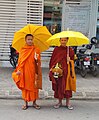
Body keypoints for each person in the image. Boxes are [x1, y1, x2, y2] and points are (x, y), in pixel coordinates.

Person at [12, 34, 42, 110]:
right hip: (24, 71)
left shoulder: (36, 49)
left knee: (34, 87)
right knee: (25, 87)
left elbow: (38, 61)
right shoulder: (22, 49)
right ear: (25, 40)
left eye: (31, 39)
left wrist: (37, 57)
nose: (30, 41)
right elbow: (20, 61)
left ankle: (34, 103)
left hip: (33, 71)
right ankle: (25, 103)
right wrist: (18, 70)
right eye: (28, 39)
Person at [49, 37, 76, 110]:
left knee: (67, 86)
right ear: (59, 40)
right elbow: (53, 59)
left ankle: (68, 102)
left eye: (65, 40)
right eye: (62, 40)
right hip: (58, 70)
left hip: (67, 71)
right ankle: (59, 102)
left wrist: (69, 60)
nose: (63, 42)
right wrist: (52, 68)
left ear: (67, 40)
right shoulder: (56, 49)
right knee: (59, 86)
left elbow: (73, 60)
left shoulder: (69, 50)